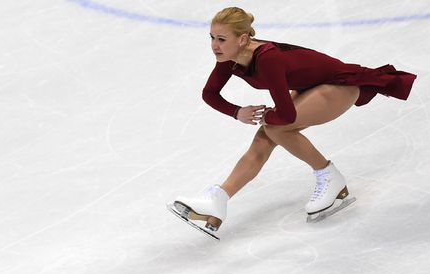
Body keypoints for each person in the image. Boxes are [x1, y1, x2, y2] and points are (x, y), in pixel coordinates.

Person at [168, 7, 416, 232]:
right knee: (264, 138)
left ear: (242, 39)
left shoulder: (267, 59)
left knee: (275, 127)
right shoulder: (230, 58)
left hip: (339, 86)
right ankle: (218, 199)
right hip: (312, 86)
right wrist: (236, 112)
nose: (215, 45)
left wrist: (265, 115)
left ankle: (329, 177)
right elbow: (209, 93)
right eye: (212, 38)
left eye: (221, 39)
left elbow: (286, 115)